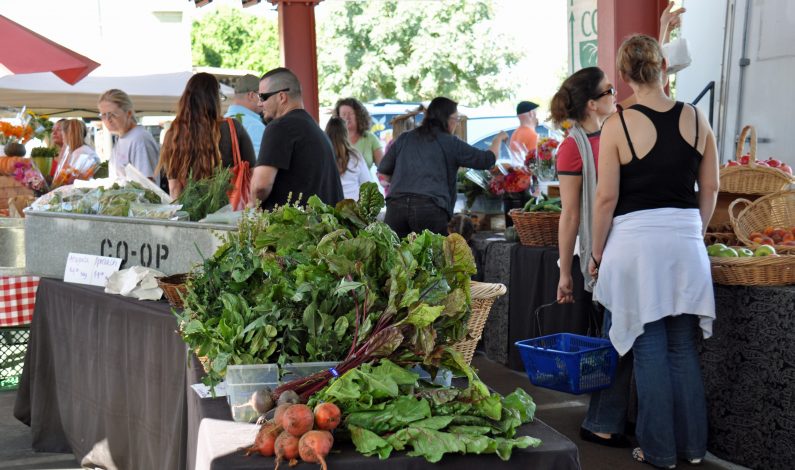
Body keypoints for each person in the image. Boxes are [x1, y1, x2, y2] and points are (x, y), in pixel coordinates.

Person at [589, 34, 719, 468]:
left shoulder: (617, 125)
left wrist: (594, 252)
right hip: (685, 244)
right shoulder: (697, 118)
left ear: (623, 77)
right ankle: (693, 449)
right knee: (682, 347)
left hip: (636, 246)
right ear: (664, 67)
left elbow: (606, 198)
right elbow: (712, 186)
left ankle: (660, 452)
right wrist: (693, 231)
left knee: (647, 347)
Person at [550, 67, 634, 449]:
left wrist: (664, 34)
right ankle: (602, 420)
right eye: (609, 90)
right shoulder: (573, 147)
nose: (616, 94)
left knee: (620, 338)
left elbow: (649, 86)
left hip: (629, 245)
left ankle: (606, 418)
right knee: (615, 339)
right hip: (605, 253)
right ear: (592, 103)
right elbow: (570, 215)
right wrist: (565, 271)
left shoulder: (621, 127)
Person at [377, 96, 506, 239]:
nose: (456, 124)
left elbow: (384, 172)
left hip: (396, 208)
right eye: (456, 119)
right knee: (433, 259)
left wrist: (405, 183)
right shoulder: (450, 143)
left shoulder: (405, 138)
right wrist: (498, 139)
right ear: (448, 120)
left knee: (396, 258)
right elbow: (487, 160)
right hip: (430, 209)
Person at [250, 67, 343, 210]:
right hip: (322, 227)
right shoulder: (314, 129)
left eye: (263, 97)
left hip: (293, 229)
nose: (259, 103)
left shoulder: (280, 127)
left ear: (282, 97)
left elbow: (260, 186)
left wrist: (251, 205)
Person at [157, 72, 256, 199]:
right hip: (230, 212)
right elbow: (253, 173)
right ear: (213, 98)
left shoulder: (174, 133)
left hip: (192, 214)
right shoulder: (232, 127)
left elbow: (174, 188)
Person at [98, 89, 160, 184]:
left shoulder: (140, 139)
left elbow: (147, 185)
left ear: (129, 113)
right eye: (103, 115)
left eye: (112, 114)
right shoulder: (121, 138)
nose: (107, 120)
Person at [325, 116, 373, 201]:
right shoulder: (355, 156)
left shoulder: (322, 156)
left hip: (328, 209)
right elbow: (367, 185)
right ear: (345, 133)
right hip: (352, 208)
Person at [224, 74, 266, 157]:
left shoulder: (221, 120)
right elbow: (259, 166)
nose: (265, 100)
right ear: (251, 96)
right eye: (262, 95)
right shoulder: (255, 126)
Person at [334, 97, 384, 167]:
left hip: (366, 178)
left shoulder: (370, 138)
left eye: (350, 113)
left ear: (359, 115)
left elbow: (384, 168)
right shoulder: (332, 139)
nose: (347, 117)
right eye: (343, 114)